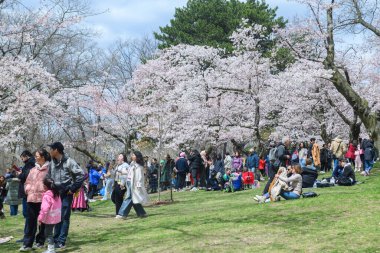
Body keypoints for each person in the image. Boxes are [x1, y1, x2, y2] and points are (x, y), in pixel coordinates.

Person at [46, 142, 84, 249]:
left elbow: (81, 175)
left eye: (51, 149)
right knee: (56, 216)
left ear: (56, 150)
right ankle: (56, 239)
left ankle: (62, 241)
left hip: (66, 193)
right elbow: (47, 177)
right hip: (55, 193)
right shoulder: (51, 163)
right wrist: (50, 184)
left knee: (64, 217)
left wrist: (72, 189)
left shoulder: (69, 161)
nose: (49, 151)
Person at [20, 148, 51, 251]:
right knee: (30, 222)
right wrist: (27, 189)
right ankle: (27, 244)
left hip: (44, 200)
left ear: (43, 157)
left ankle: (40, 241)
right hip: (31, 199)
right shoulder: (33, 169)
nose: (35, 158)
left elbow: (53, 184)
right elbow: (27, 182)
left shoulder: (50, 169)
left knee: (43, 222)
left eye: (37, 156)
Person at [116, 151, 149, 219]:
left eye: (134, 155)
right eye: (132, 155)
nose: (132, 156)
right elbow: (129, 172)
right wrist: (122, 172)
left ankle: (122, 214)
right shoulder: (132, 164)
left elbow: (140, 177)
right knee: (134, 198)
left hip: (134, 184)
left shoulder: (139, 166)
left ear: (137, 157)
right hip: (129, 182)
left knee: (129, 197)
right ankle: (142, 213)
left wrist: (138, 185)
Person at [38, 178, 62, 253]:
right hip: (56, 217)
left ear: (45, 186)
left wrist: (40, 219)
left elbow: (44, 209)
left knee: (48, 233)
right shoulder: (56, 193)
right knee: (49, 232)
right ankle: (50, 248)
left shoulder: (47, 196)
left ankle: (51, 250)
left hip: (50, 218)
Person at [17, 150, 36, 243]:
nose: (22, 159)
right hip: (27, 193)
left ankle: (29, 236)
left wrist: (20, 175)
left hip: (28, 193)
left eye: (22, 157)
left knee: (29, 215)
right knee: (28, 215)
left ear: (26, 156)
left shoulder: (31, 163)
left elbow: (27, 176)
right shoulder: (29, 163)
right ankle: (27, 235)